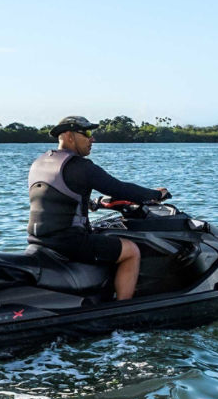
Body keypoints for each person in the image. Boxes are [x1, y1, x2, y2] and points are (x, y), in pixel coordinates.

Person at [27, 115, 168, 301]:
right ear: (69, 136)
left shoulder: (40, 162)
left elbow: (55, 195)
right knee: (131, 250)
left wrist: (94, 203)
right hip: (69, 243)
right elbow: (120, 188)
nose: (92, 139)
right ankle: (122, 311)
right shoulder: (80, 166)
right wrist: (156, 194)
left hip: (38, 239)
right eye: (86, 133)